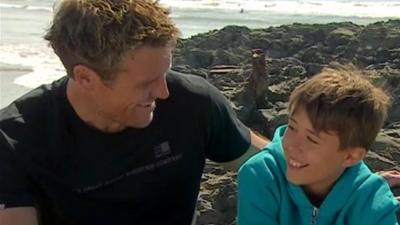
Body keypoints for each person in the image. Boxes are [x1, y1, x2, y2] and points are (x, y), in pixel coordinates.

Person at [0, 1, 267, 225]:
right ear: (85, 78)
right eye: (146, 83)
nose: (163, 92)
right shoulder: (14, 139)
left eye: (164, 73)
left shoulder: (192, 102)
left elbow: (278, 165)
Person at [238, 66, 400, 225]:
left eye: (311, 139)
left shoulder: (371, 201)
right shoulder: (262, 175)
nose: (292, 145)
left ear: (351, 156)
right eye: (292, 127)